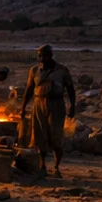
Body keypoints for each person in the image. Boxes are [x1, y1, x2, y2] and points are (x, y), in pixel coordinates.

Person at [21, 45, 77, 178]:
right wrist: (23, 108)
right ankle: (42, 165)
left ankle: (56, 167)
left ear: (50, 55)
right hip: (38, 104)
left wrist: (73, 106)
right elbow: (29, 90)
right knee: (39, 136)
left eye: (44, 55)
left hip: (56, 104)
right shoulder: (34, 71)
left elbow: (70, 89)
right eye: (40, 55)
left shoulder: (62, 71)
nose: (41, 58)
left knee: (56, 136)